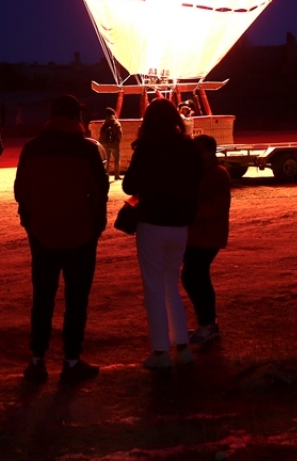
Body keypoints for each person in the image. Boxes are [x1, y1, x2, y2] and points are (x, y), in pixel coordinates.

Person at [14, 95, 109, 384]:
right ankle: (71, 360)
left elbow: (22, 191)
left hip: (42, 234)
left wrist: (32, 222)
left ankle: (37, 360)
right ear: (75, 118)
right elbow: (100, 190)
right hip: (81, 235)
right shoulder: (86, 150)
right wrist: (94, 225)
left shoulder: (32, 148)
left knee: (42, 297)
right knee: (76, 300)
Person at [122, 99, 204, 369]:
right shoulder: (189, 148)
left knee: (153, 287)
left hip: (153, 222)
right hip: (180, 224)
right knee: (171, 283)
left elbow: (129, 184)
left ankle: (160, 351)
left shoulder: (147, 148)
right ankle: (182, 346)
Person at [182, 135, 230, 345]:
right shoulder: (201, 172)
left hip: (207, 235)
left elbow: (214, 207)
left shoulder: (217, 174)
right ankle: (207, 323)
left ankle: (208, 324)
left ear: (210, 151)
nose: (196, 154)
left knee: (194, 277)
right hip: (199, 234)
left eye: (200, 150)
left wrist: (187, 211)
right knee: (196, 277)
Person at [98, 107, 123, 179]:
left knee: (107, 160)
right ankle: (117, 175)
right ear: (113, 114)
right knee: (117, 160)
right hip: (115, 145)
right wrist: (117, 142)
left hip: (105, 145)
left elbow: (101, 135)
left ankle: (107, 175)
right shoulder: (116, 123)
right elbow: (120, 134)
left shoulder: (104, 124)